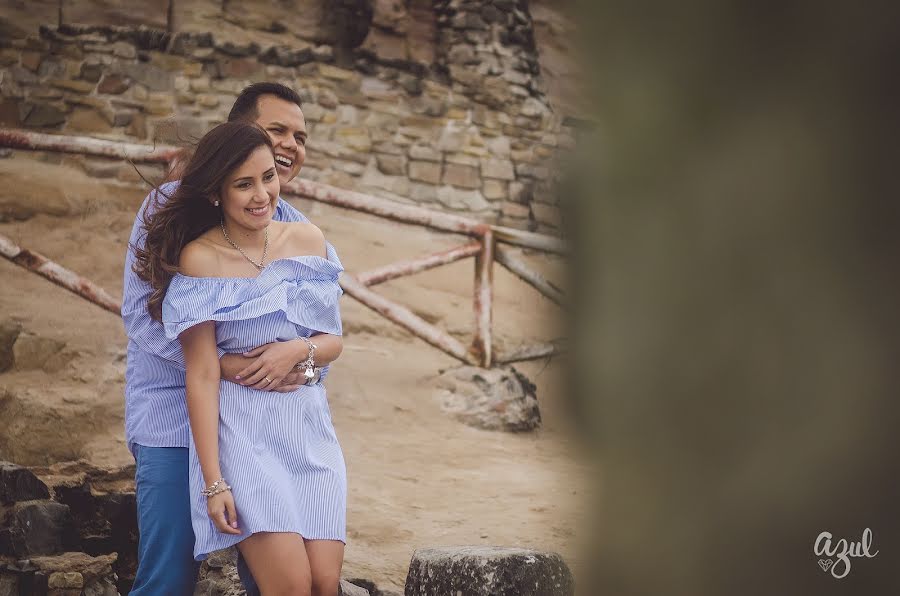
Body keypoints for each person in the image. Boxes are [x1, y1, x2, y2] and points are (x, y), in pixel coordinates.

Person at [121, 83, 323, 595]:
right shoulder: (165, 206)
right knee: (166, 579)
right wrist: (225, 365)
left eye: (300, 136)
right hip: (171, 416)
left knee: (274, 583)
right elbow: (142, 320)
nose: (291, 144)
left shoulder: (298, 232)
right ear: (237, 131)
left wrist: (299, 360)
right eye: (277, 129)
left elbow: (316, 342)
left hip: (257, 428)